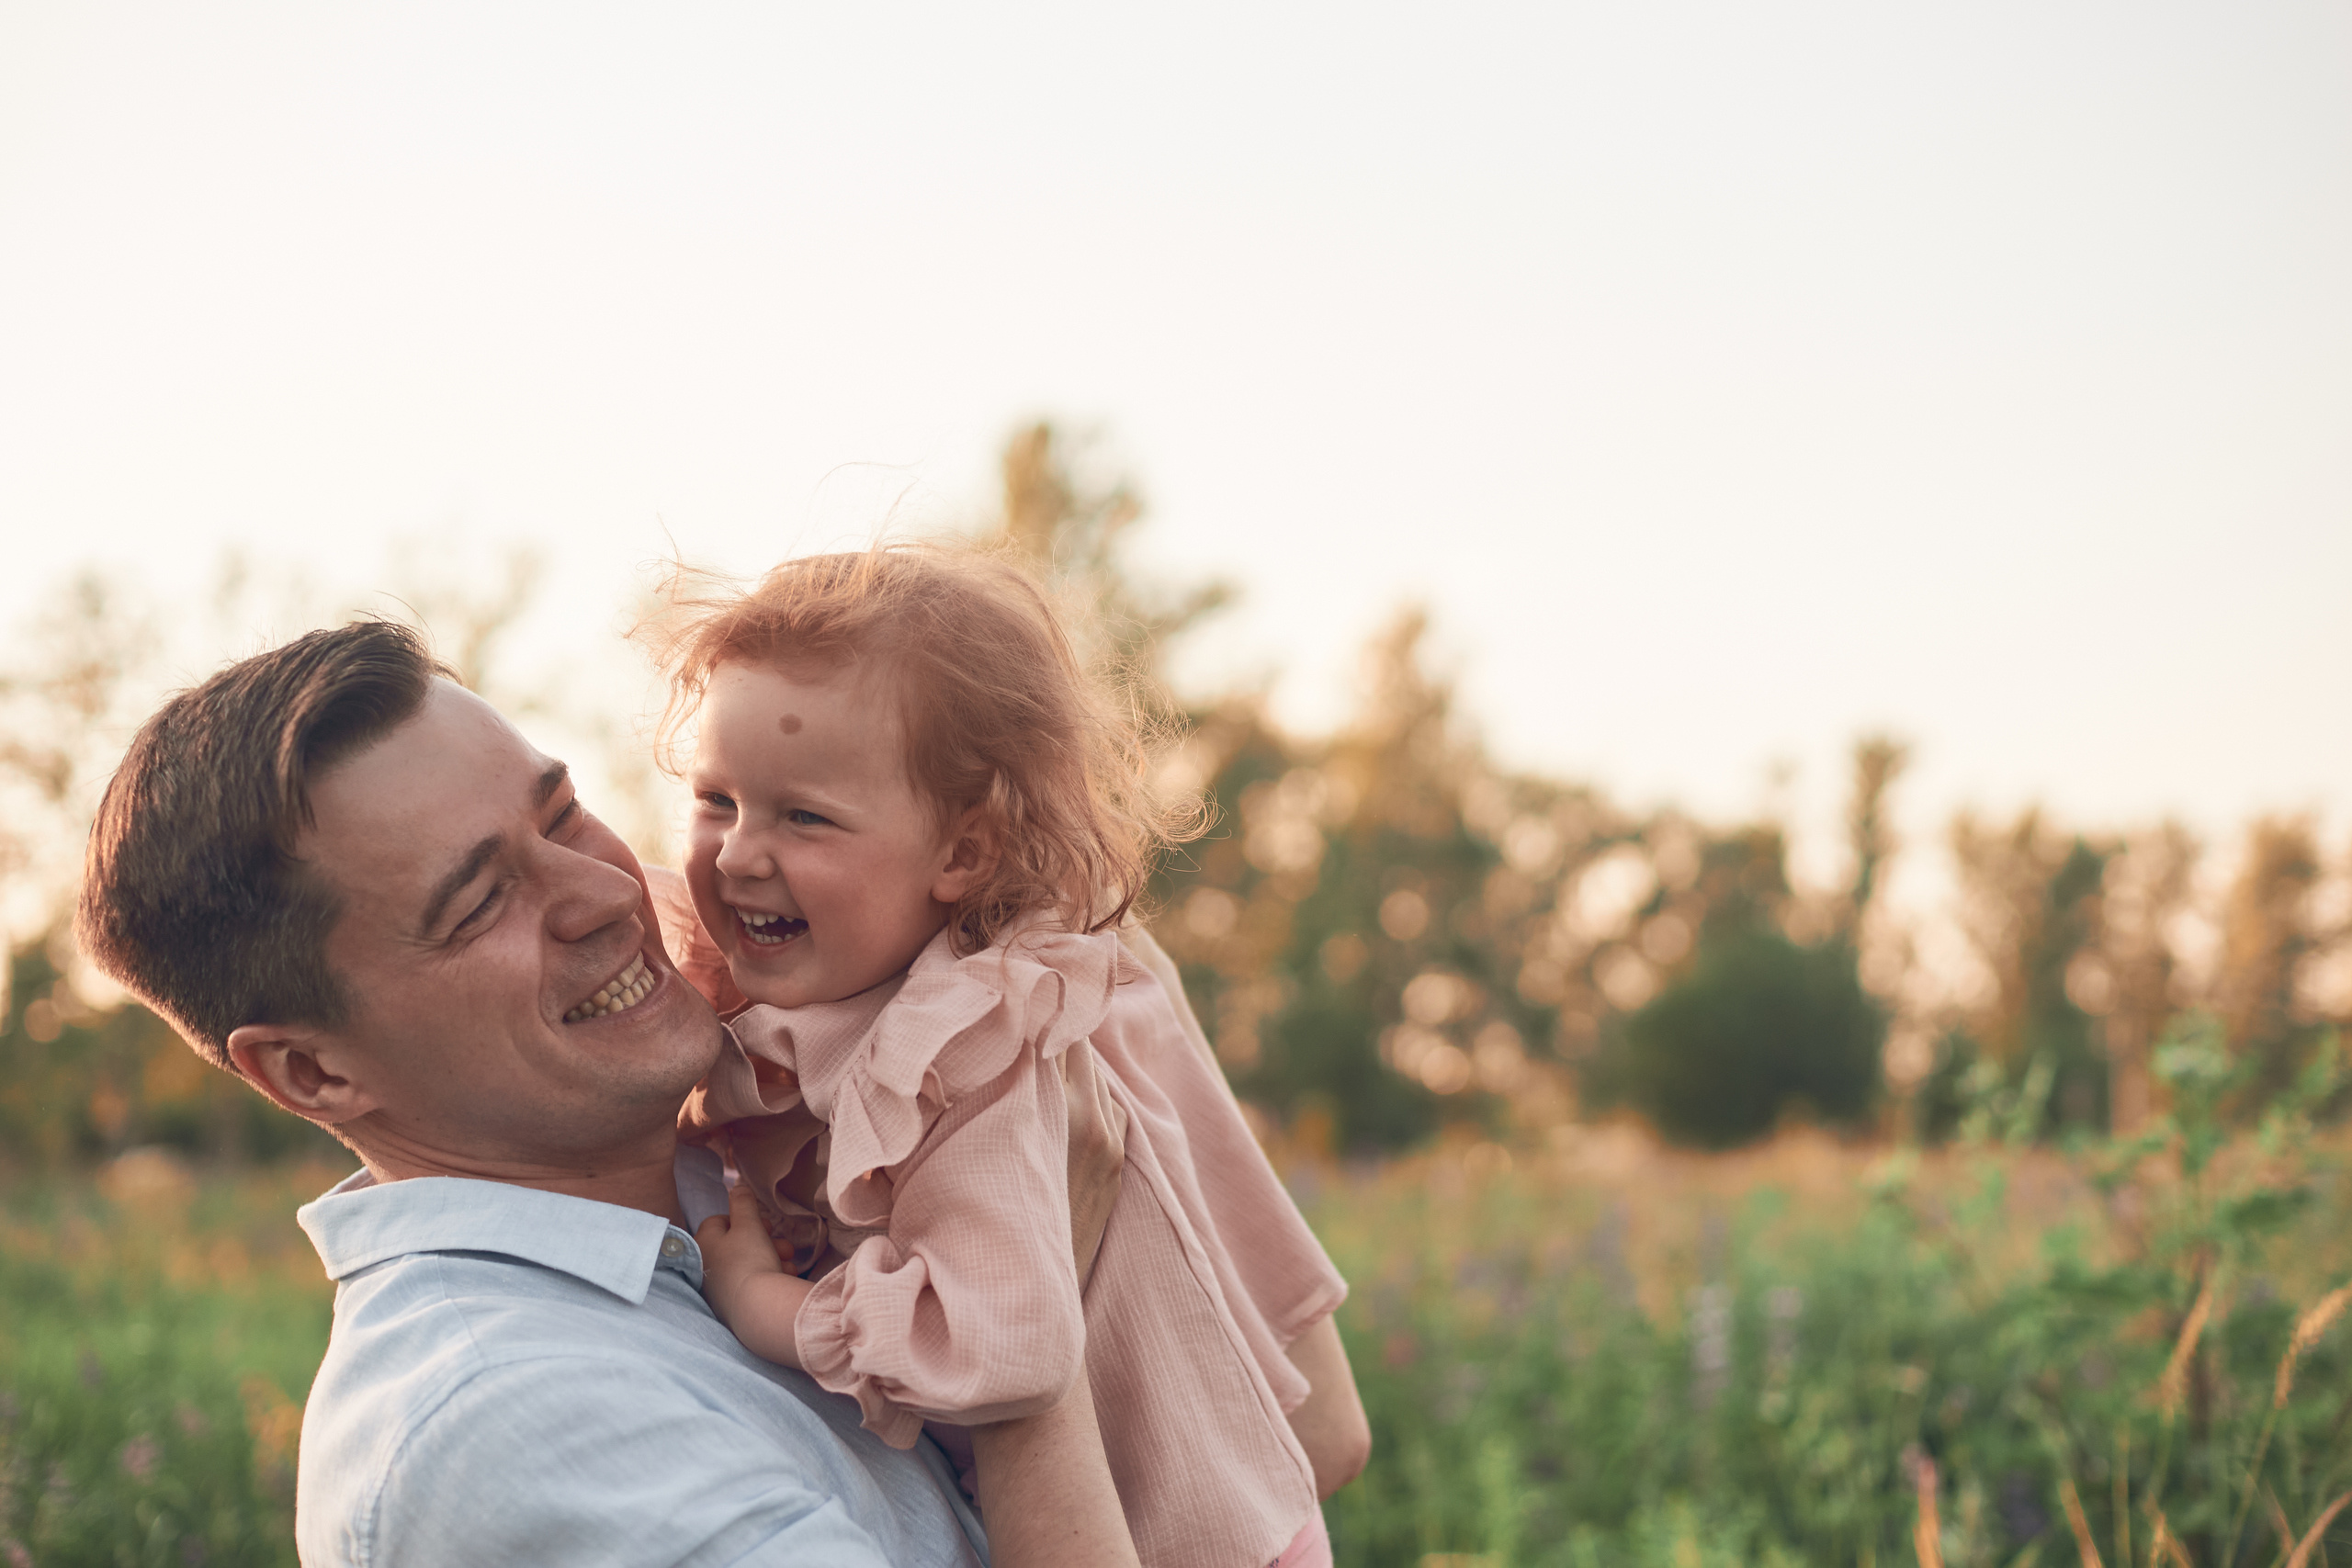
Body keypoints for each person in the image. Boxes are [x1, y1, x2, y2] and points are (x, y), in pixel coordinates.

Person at [74, 619, 1144, 1567]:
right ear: (313, 1072)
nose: (603, 891)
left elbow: (1314, 1438)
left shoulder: (772, 1155)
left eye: (564, 814)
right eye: (483, 900)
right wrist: (1017, 1341)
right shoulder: (513, 1427)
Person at [637, 547, 1370, 1568]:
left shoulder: (973, 1046)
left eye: (805, 816)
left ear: (962, 855)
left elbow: (1003, 1344)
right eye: (716, 799)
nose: (738, 853)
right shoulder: (842, 984)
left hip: (1196, 1538)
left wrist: (766, 1307)